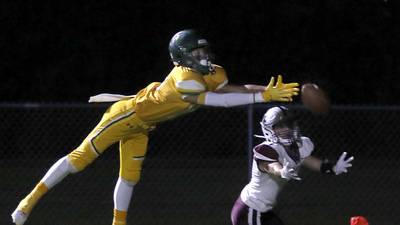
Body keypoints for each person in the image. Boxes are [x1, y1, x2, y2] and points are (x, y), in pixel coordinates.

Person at [11, 29, 300, 225]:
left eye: (204, 51)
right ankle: (27, 202)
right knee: (79, 159)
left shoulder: (212, 73)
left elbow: (232, 90)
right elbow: (218, 102)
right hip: (126, 115)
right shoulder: (185, 79)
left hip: (144, 125)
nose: (205, 57)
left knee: (129, 177)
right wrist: (260, 97)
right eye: (197, 54)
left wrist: (266, 89)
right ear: (183, 58)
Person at [231, 106, 354, 225]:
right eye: (280, 126)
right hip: (250, 210)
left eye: (289, 124)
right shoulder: (267, 149)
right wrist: (281, 171)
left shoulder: (299, 147)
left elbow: (309, 161)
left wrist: (332, 168)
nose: (286, 129)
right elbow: (270, 166)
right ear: (269, 129)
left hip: (264, 210)